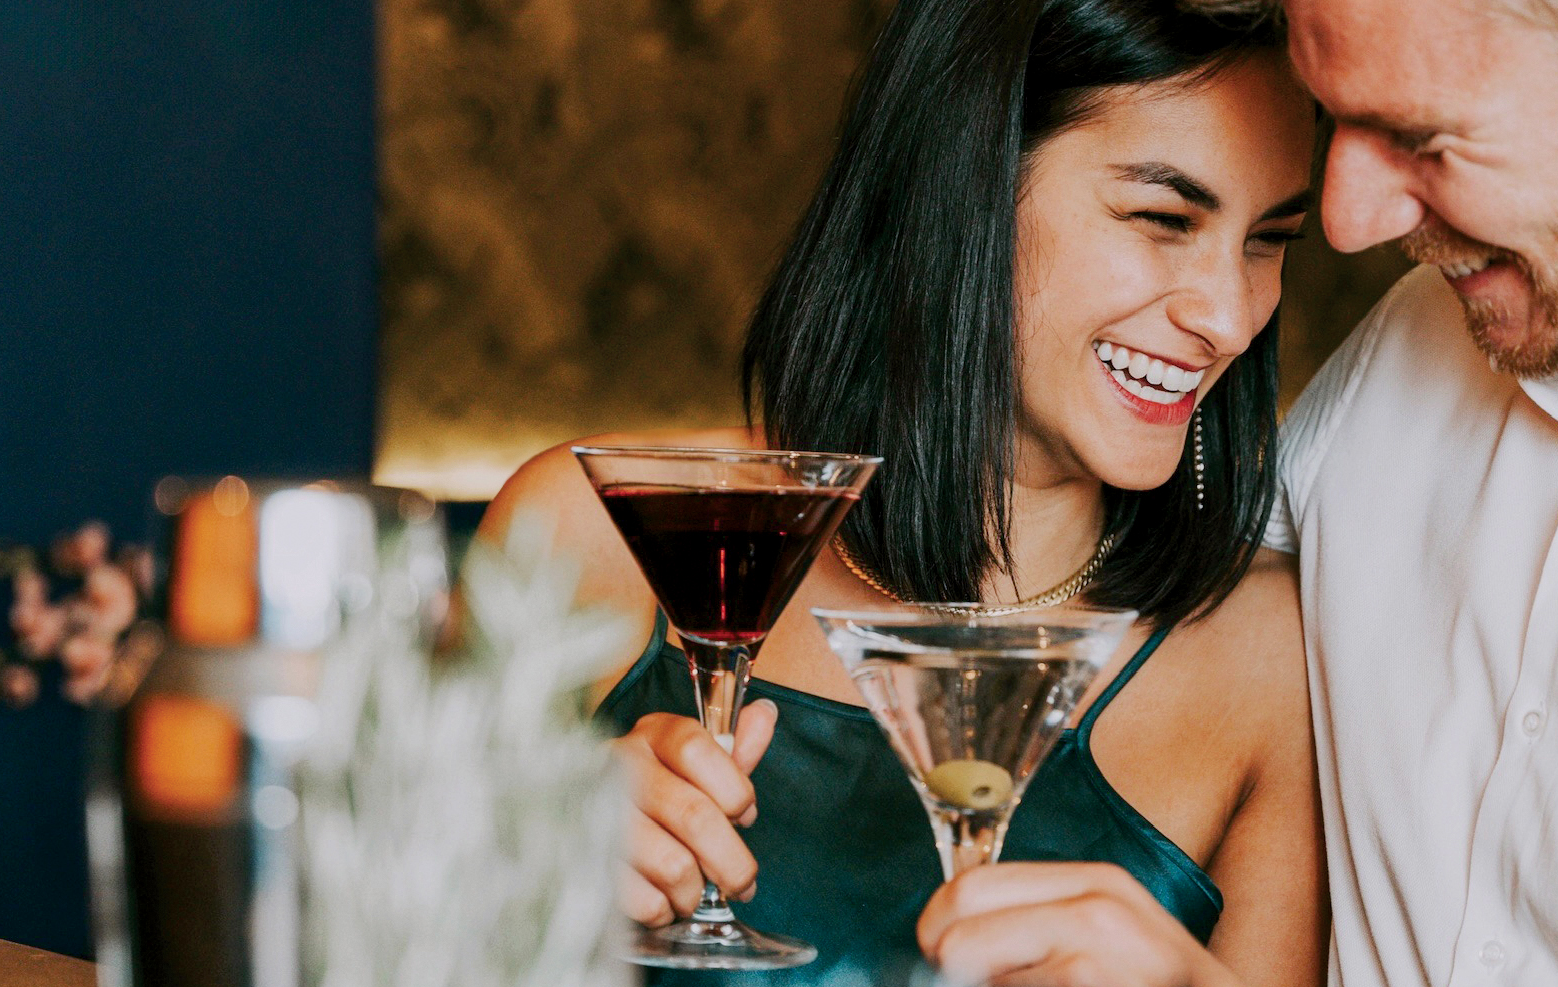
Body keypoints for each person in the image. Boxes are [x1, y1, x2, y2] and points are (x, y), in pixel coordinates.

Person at [926, 0, 1558, 983]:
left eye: (1421, 136)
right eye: (1342, 120)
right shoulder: (1426, 346)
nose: (1349, 217)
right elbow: (1101, 587)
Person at [480, 0, 1326, 983]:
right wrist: (517, 860)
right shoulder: (601, 534)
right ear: (960, 190)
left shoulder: (1268, 659)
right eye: (1162, 218)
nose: (1228, 316)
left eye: (1268, 240)